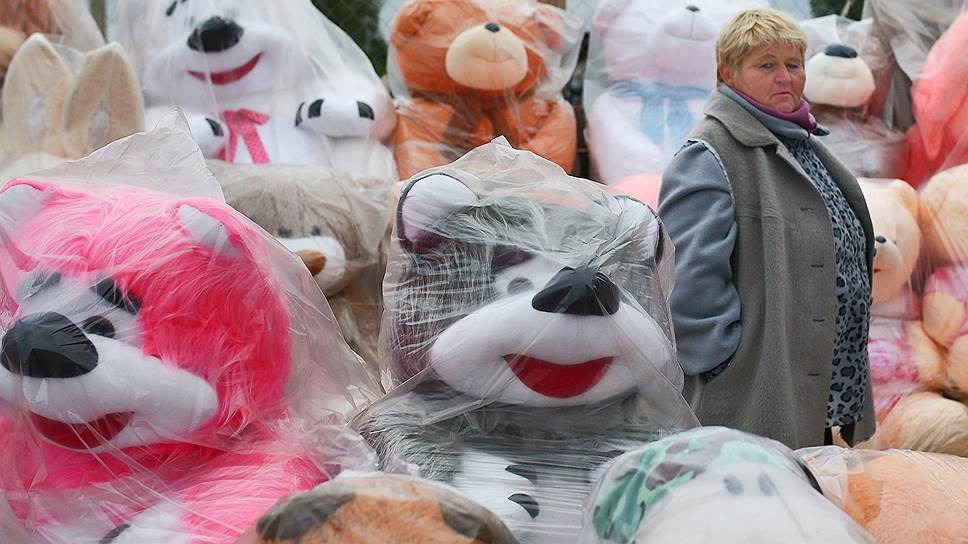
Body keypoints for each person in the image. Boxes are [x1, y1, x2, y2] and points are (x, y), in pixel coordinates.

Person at [658, 8, 875, 449]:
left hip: (815, 394)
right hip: (755, 398)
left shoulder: (800, 142)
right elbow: (687, 283)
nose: (785, 78)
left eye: (793, 64)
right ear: (728, 72)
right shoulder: (710, 154)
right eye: (766, 65)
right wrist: (728, 364)